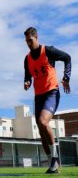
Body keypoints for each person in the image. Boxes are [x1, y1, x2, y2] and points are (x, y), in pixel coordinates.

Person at [23, 27, 71, 173]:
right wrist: (27, 82)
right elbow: (27, 76)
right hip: (38, 96)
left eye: (30, 41)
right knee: (40, 128)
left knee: (44, 122)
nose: (28, 44)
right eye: (26, 42)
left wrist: (66, 77)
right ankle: (52, 161)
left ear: (36, 38)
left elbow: (67, 57)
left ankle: (55, 160)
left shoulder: (48, 51)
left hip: (52, 92)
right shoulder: (27, 59)